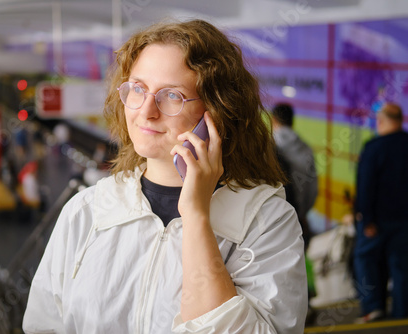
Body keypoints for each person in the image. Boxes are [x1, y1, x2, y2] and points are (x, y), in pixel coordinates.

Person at [23, 19, 307, 334]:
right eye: (138, 88)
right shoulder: (87, 211)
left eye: (171, 95)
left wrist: (197, 217)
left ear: (218, 110)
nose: (146, 111)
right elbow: (43, 325)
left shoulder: (266, 221)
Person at [354, 102, 408, 322]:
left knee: (365, 259)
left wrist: (366, 218)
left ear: (382, 121)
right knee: (401, 266)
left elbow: (366, 185)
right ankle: (402, 313)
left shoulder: (374, 147)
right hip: (404, 221)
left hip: (377, 221)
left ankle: (372, 307)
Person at [271, 103, 318, 249]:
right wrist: (302, 213)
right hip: (297, 218)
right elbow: (312, 189)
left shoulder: (265, 147)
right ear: (292, 120)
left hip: (271, 220)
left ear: (273, 120)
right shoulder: (306, 149)